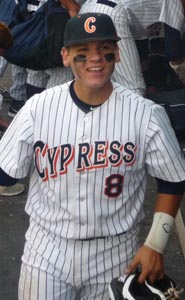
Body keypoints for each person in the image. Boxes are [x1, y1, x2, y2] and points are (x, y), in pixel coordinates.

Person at [0, 13, 185, 300]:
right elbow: (5, 171)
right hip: (46, 248)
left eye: (103, 50)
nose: (94, 59)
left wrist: (156, 244)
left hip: (115, 252)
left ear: (118, 53)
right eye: (82, 52)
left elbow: (172, 180)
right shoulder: (38, 108)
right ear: (65, 56)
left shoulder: (146, 114)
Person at [80, 0, 185, 94]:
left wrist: (149, 83)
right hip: (113, 15)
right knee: (133, 90)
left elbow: (139, 45)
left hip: (86, 11)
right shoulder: (174, 2)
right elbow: (174, 52)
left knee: (94, 86)